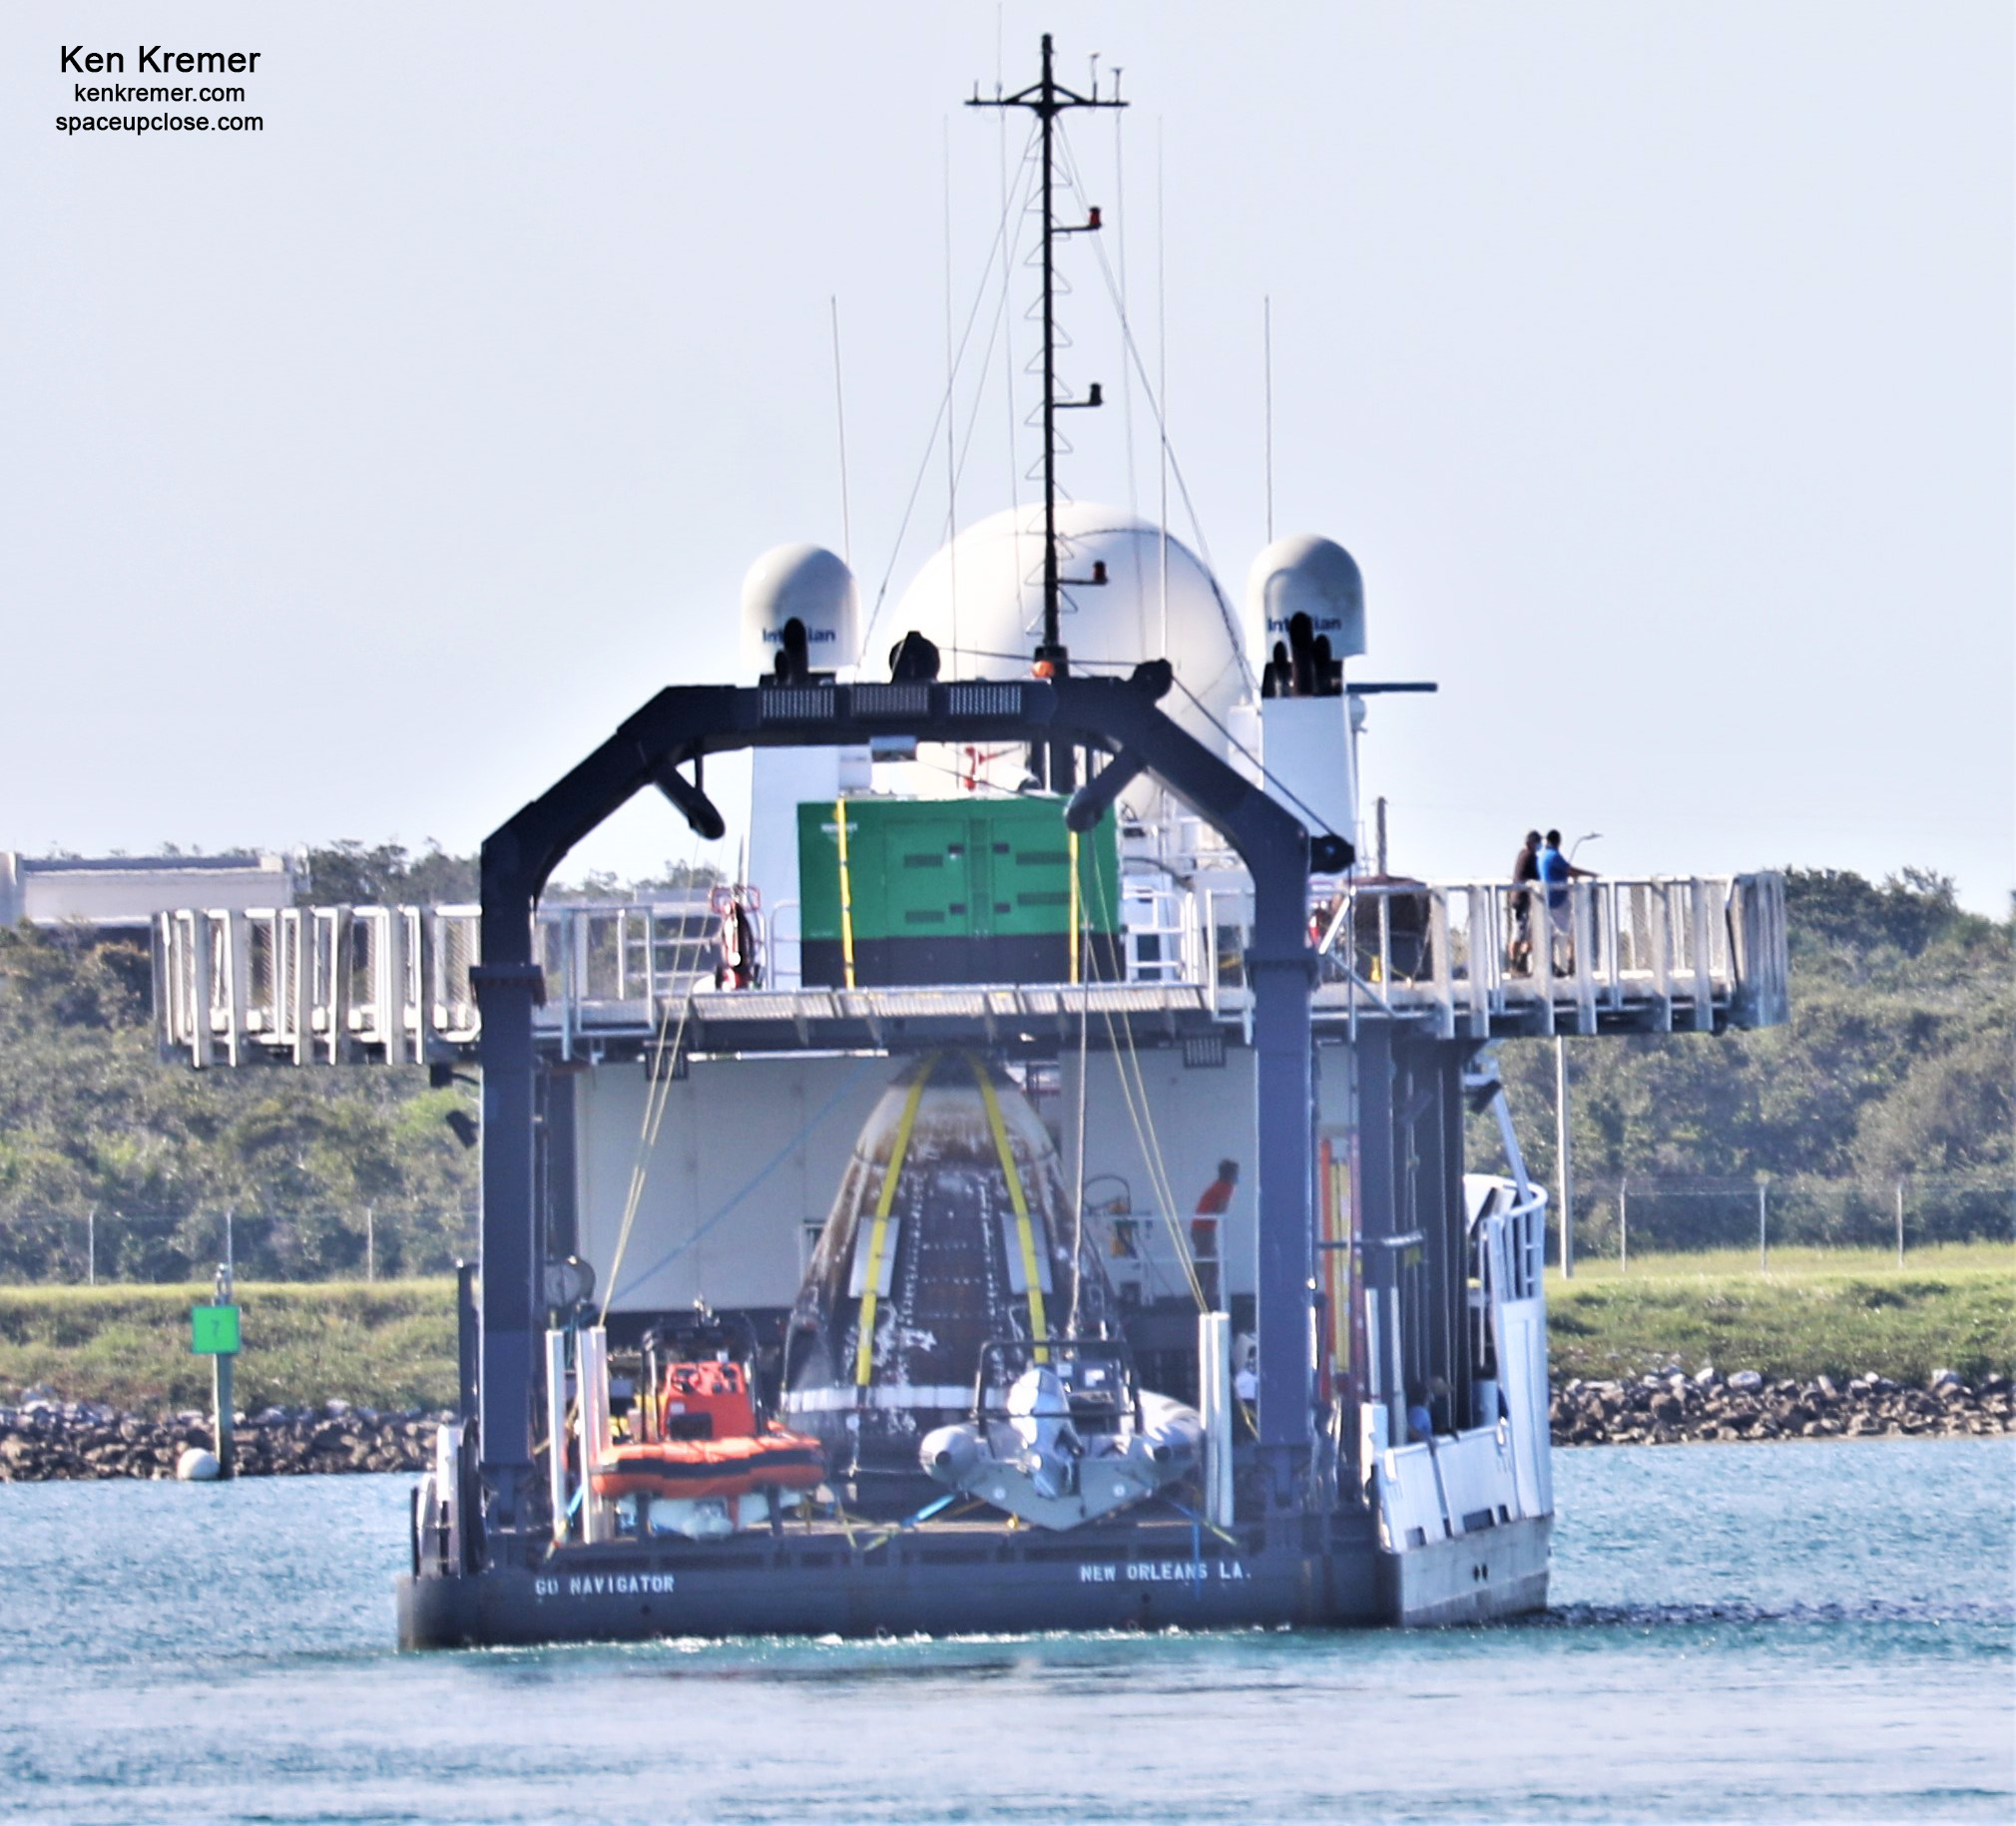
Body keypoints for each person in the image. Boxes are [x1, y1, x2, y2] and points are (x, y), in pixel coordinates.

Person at [1535, 828, 1596, 973]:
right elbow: (1570, 870)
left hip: (1546, 900)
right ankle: (1571, 964)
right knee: (1572, 931)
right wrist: (1592, 874)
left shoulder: (1542, 856)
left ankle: (1549, 964)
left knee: (1549, 934)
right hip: (1559, 900)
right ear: (1558, 842)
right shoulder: (1553, 855)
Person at [1192, 1158, 1238, 1307]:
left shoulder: (1218, 1185)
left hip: (1201, 1228)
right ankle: (1203, 1299)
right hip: (1203, 1230)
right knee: (1210, 1265)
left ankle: (1203, 1297)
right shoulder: (1225, 1187)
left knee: (1208, 1264)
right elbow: (1222, 1210)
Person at [1508, 829, 1542, 974]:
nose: (1539, 845)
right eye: (1537, 842)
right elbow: (1539, 877)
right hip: (1521, 900)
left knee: (1525, 933)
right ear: (1530, 843)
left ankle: (1518, 963)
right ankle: (1515, 964)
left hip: (1519, 899)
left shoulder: (1523, 854)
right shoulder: (1529, 856)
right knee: (1520, 933)